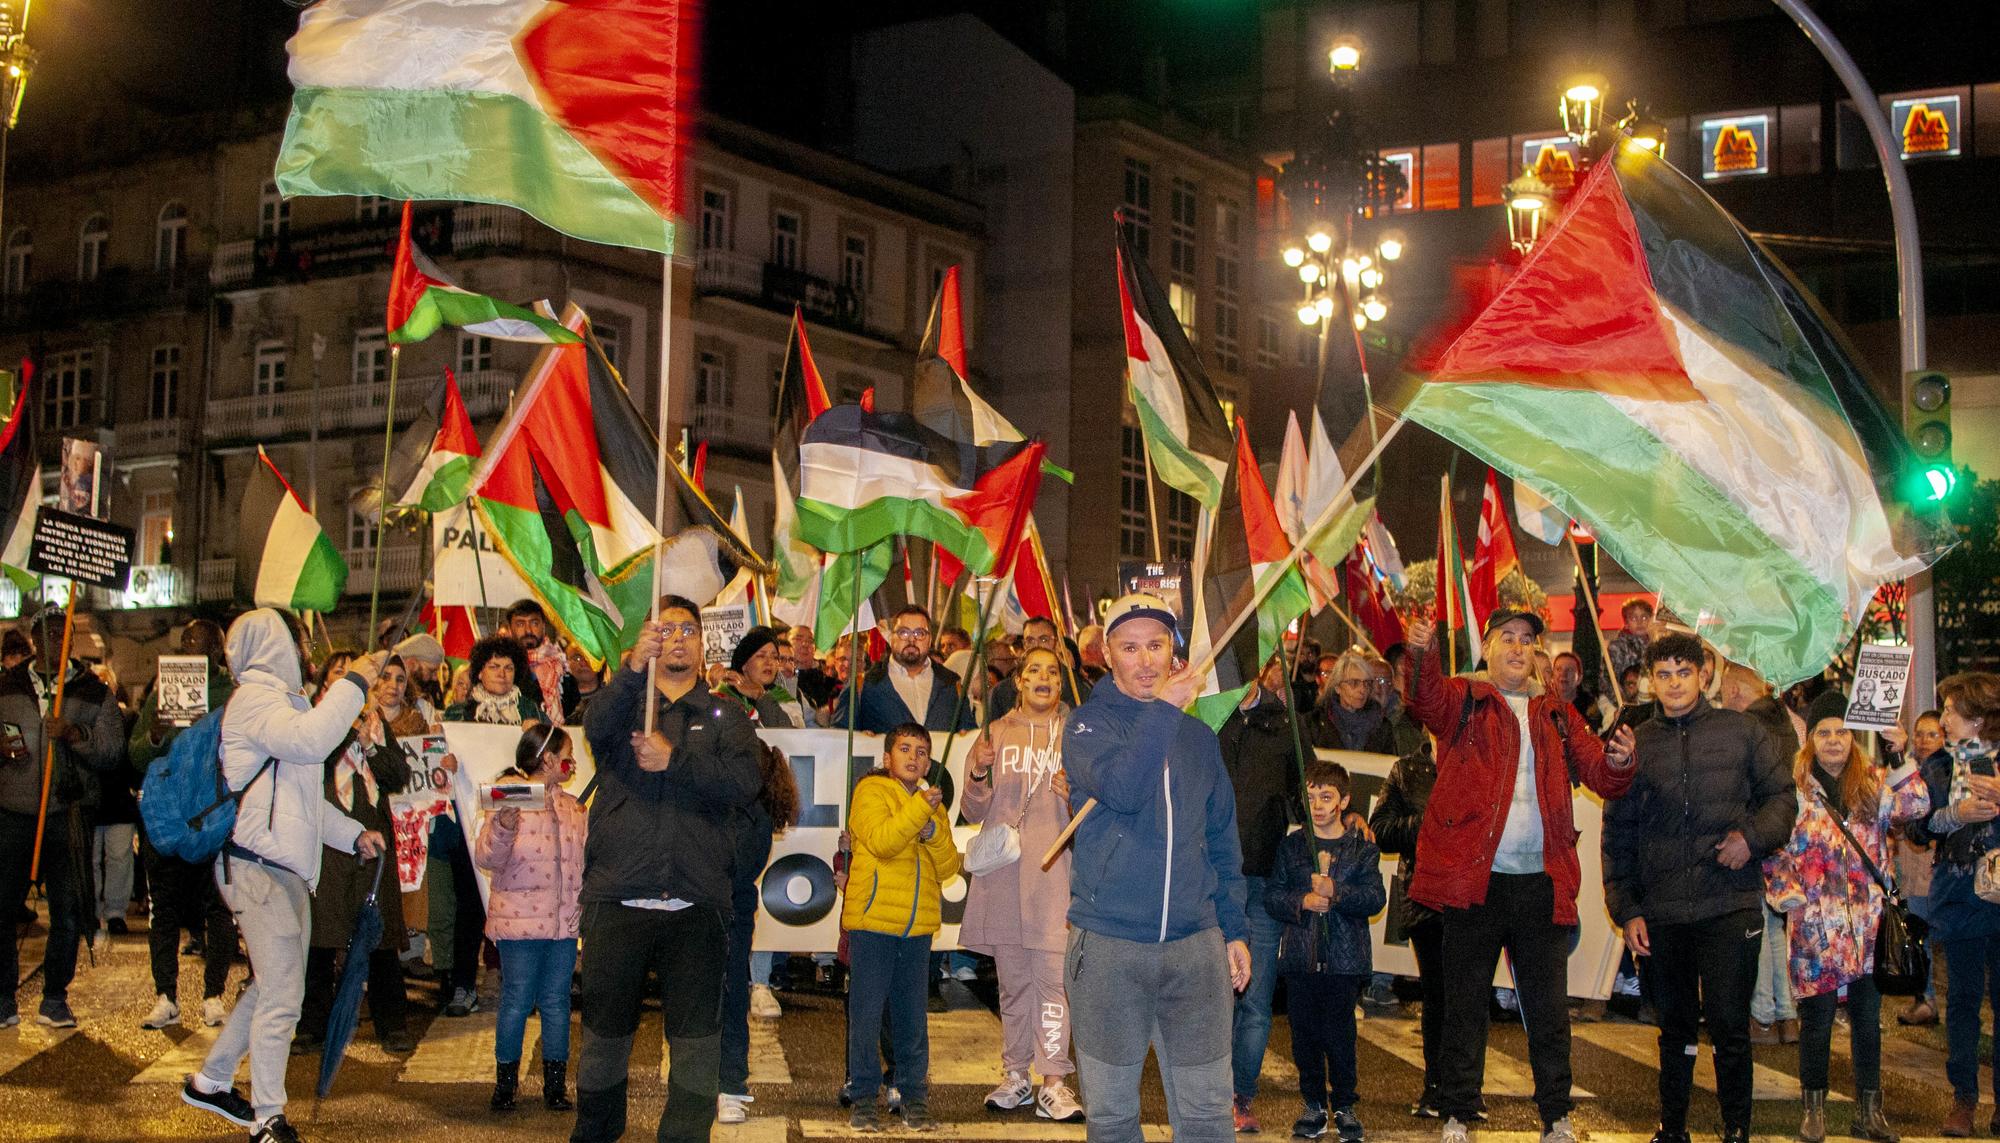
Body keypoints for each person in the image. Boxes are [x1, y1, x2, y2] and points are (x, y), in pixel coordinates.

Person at [1401, 608, 1635, 1143]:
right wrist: (1422, 652)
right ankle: (1457, 1111)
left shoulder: (1557, 714)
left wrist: (1621, 762)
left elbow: (1600, 772)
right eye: (1506, 637)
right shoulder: (1465, 700)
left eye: (1528, 640)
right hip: (1474, 884)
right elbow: (1423, 697)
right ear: (1487, 648)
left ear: (1536, 653)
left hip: (1540, 884)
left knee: (1549, 1011)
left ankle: (1556, 1116)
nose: (1517, 647)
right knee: (1464, 1004)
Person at [179, 612, 388, 1143]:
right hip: (257, 867)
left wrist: (351, 834)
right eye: (299, 639)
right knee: (283, 998)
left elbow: (301, 804)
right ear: (275, 644)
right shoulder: (255, 702)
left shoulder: (284, 705)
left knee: (270, 989)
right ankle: (267, 1119)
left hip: (281, 868)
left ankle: (210, 1080)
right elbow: (316, 743)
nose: (305, 649)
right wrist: (355, 683)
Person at [573, 597, 763, 1143]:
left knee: (696, 1045)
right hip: (618, 900)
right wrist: (632, 668)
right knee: (605, 1041)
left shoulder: (727, 716)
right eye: (665, 628)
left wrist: (674, 760)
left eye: (688, 629)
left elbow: (744, 784)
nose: (677, 638)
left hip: (696, 905)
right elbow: (597, 727)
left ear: (704, 645)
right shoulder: (626, 707)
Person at [1063, 593, 1250, 1143]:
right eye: (1129, 647)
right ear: (1107, 655)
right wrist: (1166, 712)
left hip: (1196, 949)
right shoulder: (1085, 726)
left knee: (1208, 1119)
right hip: (1109, 949)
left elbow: (1222, 842)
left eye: (1156, 645)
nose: (1145, 660)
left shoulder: (1198, 738)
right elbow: (1124, 788)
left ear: (1173, 651)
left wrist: (1234, 930)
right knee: (1114, 1118)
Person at [1601, 633, 1795, 1143]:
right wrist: (1627, 909)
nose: (1673, 684)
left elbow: (1782, 799)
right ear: (1650, 680)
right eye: (1662, 675)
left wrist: (1749, 841)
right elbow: (1617, 832)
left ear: (1704, 674)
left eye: (1683, 673)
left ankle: (1736, 1128)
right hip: (1662, 912)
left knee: (1731, 1026)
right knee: (1675, 1030)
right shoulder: (1635, 741)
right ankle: (1673, 1128)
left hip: (1728, 902)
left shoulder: (1743, 731)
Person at [1765, 690, 1927, 1143]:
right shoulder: (1793, 791)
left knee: (1867, 1019)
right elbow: (1771, 848)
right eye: (1824, 732)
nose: (1834, 740)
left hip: (1868, 926)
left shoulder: (1873, 782)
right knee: (1815, 1021)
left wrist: (1900, 754)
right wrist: (1786, 894)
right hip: (1815, 928)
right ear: (1810, 739)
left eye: (1841, 731)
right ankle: (1813, 1111)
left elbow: (1916, 805)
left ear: (1852, 737)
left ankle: (1869, 1112)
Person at [961, 647, 1086, 1123]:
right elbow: (974, 811)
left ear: (1060, 683)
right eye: (1033, 670)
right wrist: (976, 771)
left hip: (1055, 878)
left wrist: (1073, 797)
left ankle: (1053, 1081)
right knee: (1013, 985)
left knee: (1053, 983)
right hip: (1004, 880)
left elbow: (1095, 810)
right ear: (1018, 681)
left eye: (1052, 672)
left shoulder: (1076, 736)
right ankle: (1015, 1075)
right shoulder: (995, 733)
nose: (1043, 678)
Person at [0, 607, 125, 1029]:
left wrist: (76, 735)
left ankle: (54, 996)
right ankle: (3, 998)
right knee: (2, 908)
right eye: (47, 634)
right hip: (14, 813)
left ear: (72, 639)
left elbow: (112, 751)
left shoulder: (91, 690)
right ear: (34, 638)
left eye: (63, 633)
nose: (56, 641)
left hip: (66, 814)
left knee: (68, 911)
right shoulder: (7, 684)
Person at [842, 722, 962, 1132]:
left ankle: (914, 1096)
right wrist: (920, 814)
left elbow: (948, 867)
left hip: (916, 928)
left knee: (913, 1018)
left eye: (922, 752)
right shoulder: (870, 792)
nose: (914, 757)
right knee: (867, 1014)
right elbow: (883, 841)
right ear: (887, 758)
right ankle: (862, 1098)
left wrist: (932, 832)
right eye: (906, 749)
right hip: (874, 922)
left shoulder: (933, 806)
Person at [296, 658, 417, 1056]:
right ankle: (313, 1025)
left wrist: (369, 743)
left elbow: (396, 776)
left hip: (372, 838)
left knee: (378, 936)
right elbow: (310, 768)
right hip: (327, 841)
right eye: (338, 674)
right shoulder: (311, 721)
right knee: (322, 937)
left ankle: (391, 1023)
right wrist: (340, 729)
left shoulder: (376, 722)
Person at [1266, 759, 1386, 1142]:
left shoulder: (1360, 848)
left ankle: (1346, 1104)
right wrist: (1301, 900)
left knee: (1340, 1034)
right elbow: (1273, 895)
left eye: (1326, 797)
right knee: (1304, 1035)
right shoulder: (1292, 846)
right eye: (1311, 796)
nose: (1317, 805)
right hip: (1302, 958)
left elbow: (1375, 897)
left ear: (1344, 801)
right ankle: (1313, 1102)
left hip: (1344, 960)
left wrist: (1338, 893)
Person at [132, 619, 242, 1031]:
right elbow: (136, 755)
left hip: (212, 817)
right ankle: (166, 996)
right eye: (187, 644)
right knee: (164, 909)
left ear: (218, 652)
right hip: (168, 819)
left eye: (202, 645)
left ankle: (214, 995)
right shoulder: (162, 691)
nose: (193, 651)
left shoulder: (232, 696)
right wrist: (157, 734)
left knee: (218, 908)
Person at [474, 721, 587, 1113]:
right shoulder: (513, 798)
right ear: (550, 759)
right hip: (519, 924)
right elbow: (487, 856)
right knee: (517, 1001)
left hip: (562, 926)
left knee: (557, 1003)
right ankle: (505, 1086)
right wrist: (504, 825)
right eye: (568, 756)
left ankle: (555, 1088)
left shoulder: (575, 809)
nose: (572, 763)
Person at [1912, 671, 2000, 1138]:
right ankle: (1963, 1099)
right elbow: (1915, 828)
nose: (1942, 717)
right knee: (1963, 1001)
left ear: (1978, 720)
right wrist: (1954, 815)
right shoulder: (1938, 767)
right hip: (1959, 895)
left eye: (1950, 709)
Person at [1220, 655, 1304, 1133]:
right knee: (1212, 995)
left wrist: (1344, 817)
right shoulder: (1203, 721)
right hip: (1210, 881)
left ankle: (1240, 1094)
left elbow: (1309, 792)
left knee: (1254, 995)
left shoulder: (1285, 724)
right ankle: (1207, 1090)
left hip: (1264, 881)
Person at [438, 634, 542, 1016]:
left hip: (521, 825)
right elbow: (437, 767)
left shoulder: (531, 709)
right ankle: (463, 985)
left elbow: (548, 763)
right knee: (470, 907)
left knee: (517, 909)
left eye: (509, 667)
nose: (501, 673)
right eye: (494, 666)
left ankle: (521, 986)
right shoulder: (456, 715)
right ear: (479, 671)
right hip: (471, 823)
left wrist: (536, 736)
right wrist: (445, 767)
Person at [1715, 660, 1805, 1046]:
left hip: (1755, 832)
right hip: (1783, 831)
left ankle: (1764, 1015)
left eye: (1722, 691)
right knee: (1776, 924)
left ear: (1736, 690)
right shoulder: (1787, 722)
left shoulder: (1749, 726)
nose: (1720, 699)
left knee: (1762, 925)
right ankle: (1786, 1014)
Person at [718, 740, 800, 1125]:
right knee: (704, 1001)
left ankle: (729, 1086)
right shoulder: (730, 806)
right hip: (706, 909)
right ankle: (711, 1084)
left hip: (727, 911)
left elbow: (737, 868)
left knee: (730, 998)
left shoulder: (755, 814)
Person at [1370, 728, 1447, 1119]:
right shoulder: (1407, 770)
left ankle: (1467, 1087)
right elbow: (1381, 830)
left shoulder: (1482, 762)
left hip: (1475, 895)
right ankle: (1436, 1086)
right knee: (1438, 993)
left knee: (1470, 994)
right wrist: (1426, 822)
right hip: (1424, 897)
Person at [829, 607, 972, 734]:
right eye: (904, 633)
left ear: (930, 640)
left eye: (920, 633)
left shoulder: (952, 685)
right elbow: (839, 740)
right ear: (892, 638)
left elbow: (968, 736)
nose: (911, 640)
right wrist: (862, 741)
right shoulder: (863, 686)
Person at [1896, 709, 1949, 1027]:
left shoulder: (1945, 771)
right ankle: (1924, 999)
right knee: (1916, 934)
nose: (1925, 740)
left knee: (1941, 932)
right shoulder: (1907, 771)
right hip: (1908, 863)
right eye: (1920, 733)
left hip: (1936, 865)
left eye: (1933, 734)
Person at [987, 618, 1085, 722]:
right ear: (1024, 645)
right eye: (1030, 640)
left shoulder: (1075, 687)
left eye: (1044, 640)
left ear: (1057, 643)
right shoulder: (1001, 693)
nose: (1037, 646)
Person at [1311, 650, 1397, 754]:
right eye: (1354, 683)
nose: (1362, 690)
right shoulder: (1316, 724)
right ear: (1338, 687)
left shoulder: (1382, 727)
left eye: (1366, 683)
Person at [719, 626, 797, 728]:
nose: (769, 662)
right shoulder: (722, 698)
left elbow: (790, 737)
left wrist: (761, 697)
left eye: (774, 657)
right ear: (744, 664)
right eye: (761, 656)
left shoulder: (785, 698)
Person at [506, 599, 567, 724]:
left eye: (534, 623)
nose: (528, 630)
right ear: (509, 629)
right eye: (520, 624)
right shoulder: (502, 667)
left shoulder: (561, 665)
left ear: (543, 626)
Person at [1606, 598, 1656, 685]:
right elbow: (1608, 678)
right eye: (1633, 618)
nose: (1639, 622)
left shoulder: (1655, 646)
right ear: (1626, 623)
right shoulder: (1618, 647)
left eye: (1644, 617)